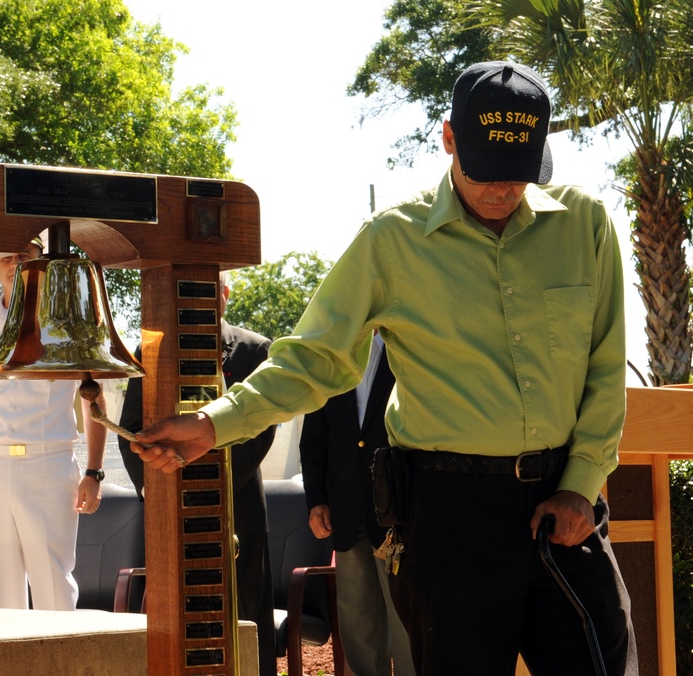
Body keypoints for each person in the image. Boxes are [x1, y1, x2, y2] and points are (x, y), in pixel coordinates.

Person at [129, 61, 637, 675]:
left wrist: (582, 483)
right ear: (448, 138)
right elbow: (315, 358)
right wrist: (213, 424)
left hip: (567, 509)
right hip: (449, 518)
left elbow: (605, 367)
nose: (502, 191)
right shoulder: (390, 240)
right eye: (485, 171)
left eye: (519, 174)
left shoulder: (585, 224)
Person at [116, 271, 279, 675]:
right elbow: (131, 428)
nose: (199, 301)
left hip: (238, 507)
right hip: (171, 513)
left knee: (245, 616)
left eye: (209, 290)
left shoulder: (255, 349)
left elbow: (260, 431)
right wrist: (158, 488)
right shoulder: (149, 351)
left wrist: (210, 485)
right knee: (181, 623)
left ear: (225, 294)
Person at [0, 236, 107, 611]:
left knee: (54, 588)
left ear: (42, 263)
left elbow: (93, 398)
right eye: (7, 256)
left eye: (26, 255)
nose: (16, 262)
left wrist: (94, 472)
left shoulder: (69, 326)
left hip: (48, 466)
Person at [299, 331, 414, 676]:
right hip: (345, 510)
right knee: (357, 621)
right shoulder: (333, 357)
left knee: (406, 621)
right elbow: (314, 438)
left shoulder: (412, 347)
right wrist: (317, 500)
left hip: (401, 511)